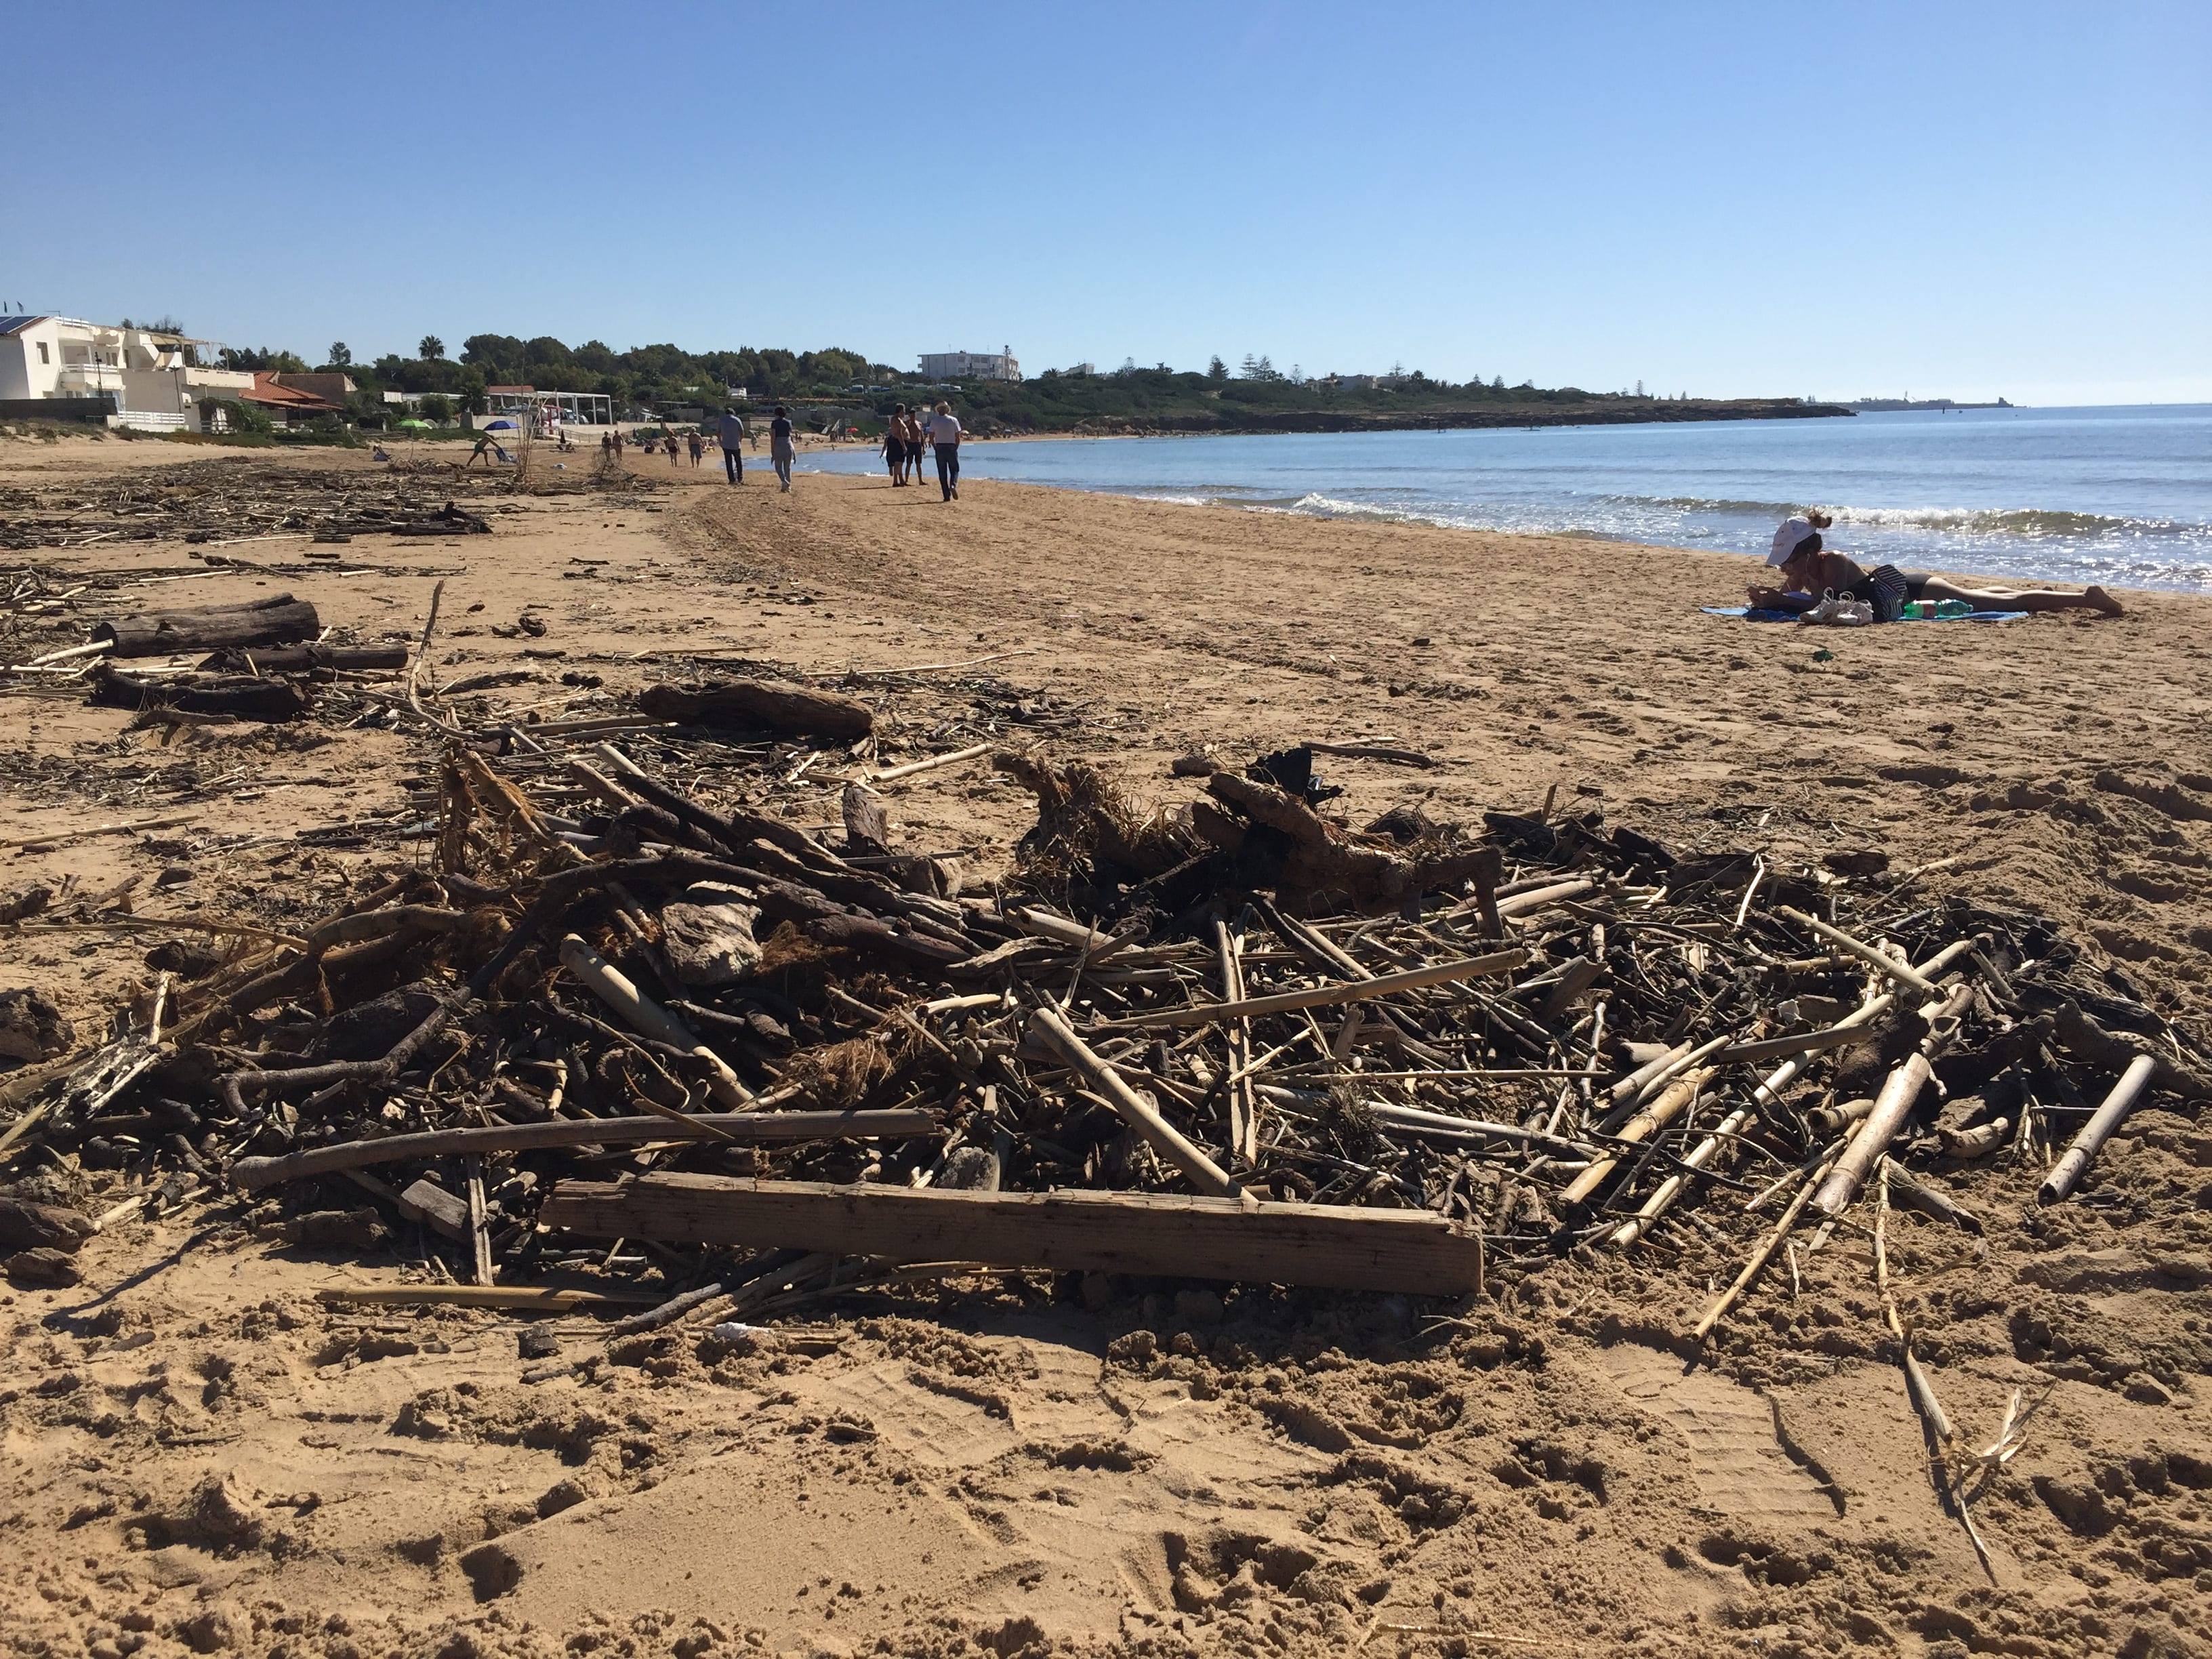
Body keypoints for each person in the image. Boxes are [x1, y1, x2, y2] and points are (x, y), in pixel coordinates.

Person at [1750, 541, 2124, 620]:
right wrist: (1771, 597)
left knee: (2004, 604)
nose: (1785, 571)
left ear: (1809, 554)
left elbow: (1818, 608)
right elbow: (1794, 599)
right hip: (1902, 592)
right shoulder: (1807, 571)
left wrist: (1780, 600)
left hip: (1914, 588)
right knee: (1991, 595)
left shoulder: (1834, 564)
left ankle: (2086, 597)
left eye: (1789, 562)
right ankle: (2068, 596)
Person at [1769, 510, 1835, 568]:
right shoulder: (1809, 528)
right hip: (1785, 541)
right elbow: (1795, 539)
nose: (1818, 525)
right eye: (1820, 521)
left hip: (1780, 540)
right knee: (1816, 539)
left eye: (1820, 525)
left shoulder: (1803, 520)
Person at [927, 401, 962, 501]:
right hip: (951, 446)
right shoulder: (953, 420)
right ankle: (953, 485)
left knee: (942, 472)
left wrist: (935, 447)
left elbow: (931, 437)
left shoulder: (935, 421)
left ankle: (946, 496)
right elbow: (957, 437)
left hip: (940, 447)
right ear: (947, 410)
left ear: (938, 411)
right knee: (955, 469)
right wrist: (956, 447)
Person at [769, 405, 796, 491]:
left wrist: (772, 449)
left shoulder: (774, 423)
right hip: (788, 444)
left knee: (778, 467)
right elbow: (790, 434)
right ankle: (788, 486)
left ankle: (784, 482)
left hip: (779, 445)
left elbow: (773, 437)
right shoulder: (788, 422)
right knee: (787, 468)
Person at [717, 407, 746, 483]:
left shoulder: (722, 420)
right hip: (736, 444)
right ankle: (740, 477)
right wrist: (740, 440)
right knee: (738, 461)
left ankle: (731, 479)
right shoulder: (737, 420)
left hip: (726, 444)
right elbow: (742, 432)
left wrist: (720, 441)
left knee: (728, 462)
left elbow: (718, 432)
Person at [884, 405, 907, 485]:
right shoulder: (896, 420)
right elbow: (899, 434)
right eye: (904, 410)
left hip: (899, 441)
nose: (905, 412)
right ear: (901, 410)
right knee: (898, 462)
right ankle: (895, 481)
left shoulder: (899, 419)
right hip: (898, 442)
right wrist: (904, 446)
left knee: (900, 462)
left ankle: (901, 480)